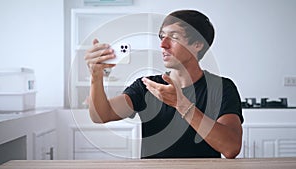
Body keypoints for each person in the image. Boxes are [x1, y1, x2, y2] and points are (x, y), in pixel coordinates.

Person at [84, 9, 243, 159]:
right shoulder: (147, 85)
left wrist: (181, 104)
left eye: (173, 37)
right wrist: (95, 77)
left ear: (198, 44)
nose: (163, 44)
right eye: (162, 37)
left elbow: (231, 148)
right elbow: (101, 115)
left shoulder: (222, 87)